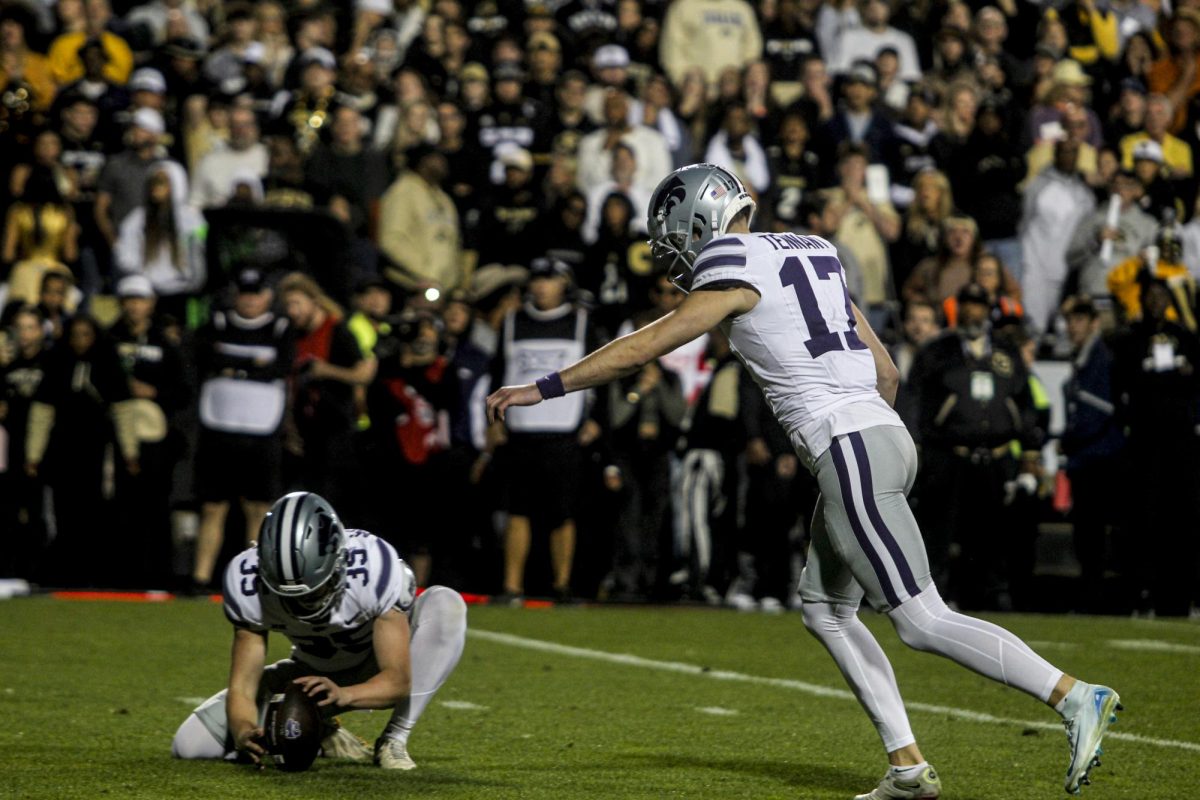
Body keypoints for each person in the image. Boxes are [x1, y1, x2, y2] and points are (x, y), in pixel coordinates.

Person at [487, 164, 1122, 799]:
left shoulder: (730, 262)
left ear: (697, 219)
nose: (672, 252)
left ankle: (1071, 695)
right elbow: (888, 372)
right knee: (825, 608)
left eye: (672, 234)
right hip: (878, 437)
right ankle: (906, 767)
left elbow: (647, 344)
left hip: (848, 445)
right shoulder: (812, 251)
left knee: (921, 620)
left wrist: (543, 386)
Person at [171, 491, 467, 771]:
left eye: (312, 591)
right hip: (309, 674)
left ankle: (394, 739)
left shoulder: (373, 566)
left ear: (340, 562)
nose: (300, 603)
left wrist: (344, 695)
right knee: (189, 745)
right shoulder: (246, 581)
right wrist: (244, 731)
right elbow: (242, 687)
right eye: (288, 595)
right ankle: (321, 731)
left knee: (445, 604)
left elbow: (397, 681)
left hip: (375, 662)